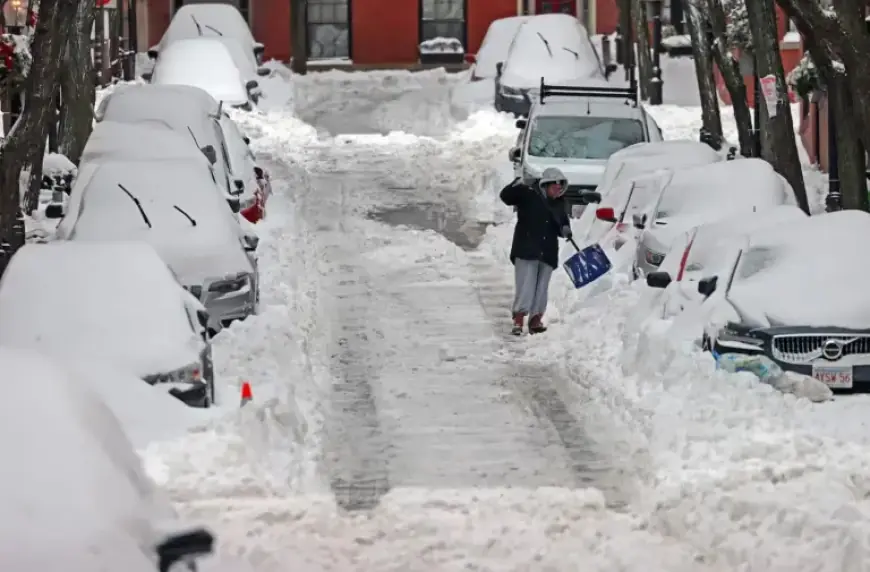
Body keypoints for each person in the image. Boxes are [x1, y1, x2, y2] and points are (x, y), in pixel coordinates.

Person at [500, 167, 572, 336]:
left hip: (547, 251)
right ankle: (518, 319)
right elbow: (506, 197)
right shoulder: (528, 195)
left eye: (560, 187)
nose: (558, 190)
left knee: (541, 288)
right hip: (526, 248)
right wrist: (516, 184)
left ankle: (535, 320)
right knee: (526, 285)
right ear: (545, 185)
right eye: (555, 186)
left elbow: (562, 222)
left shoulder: (559, 203)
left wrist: (566, 229)